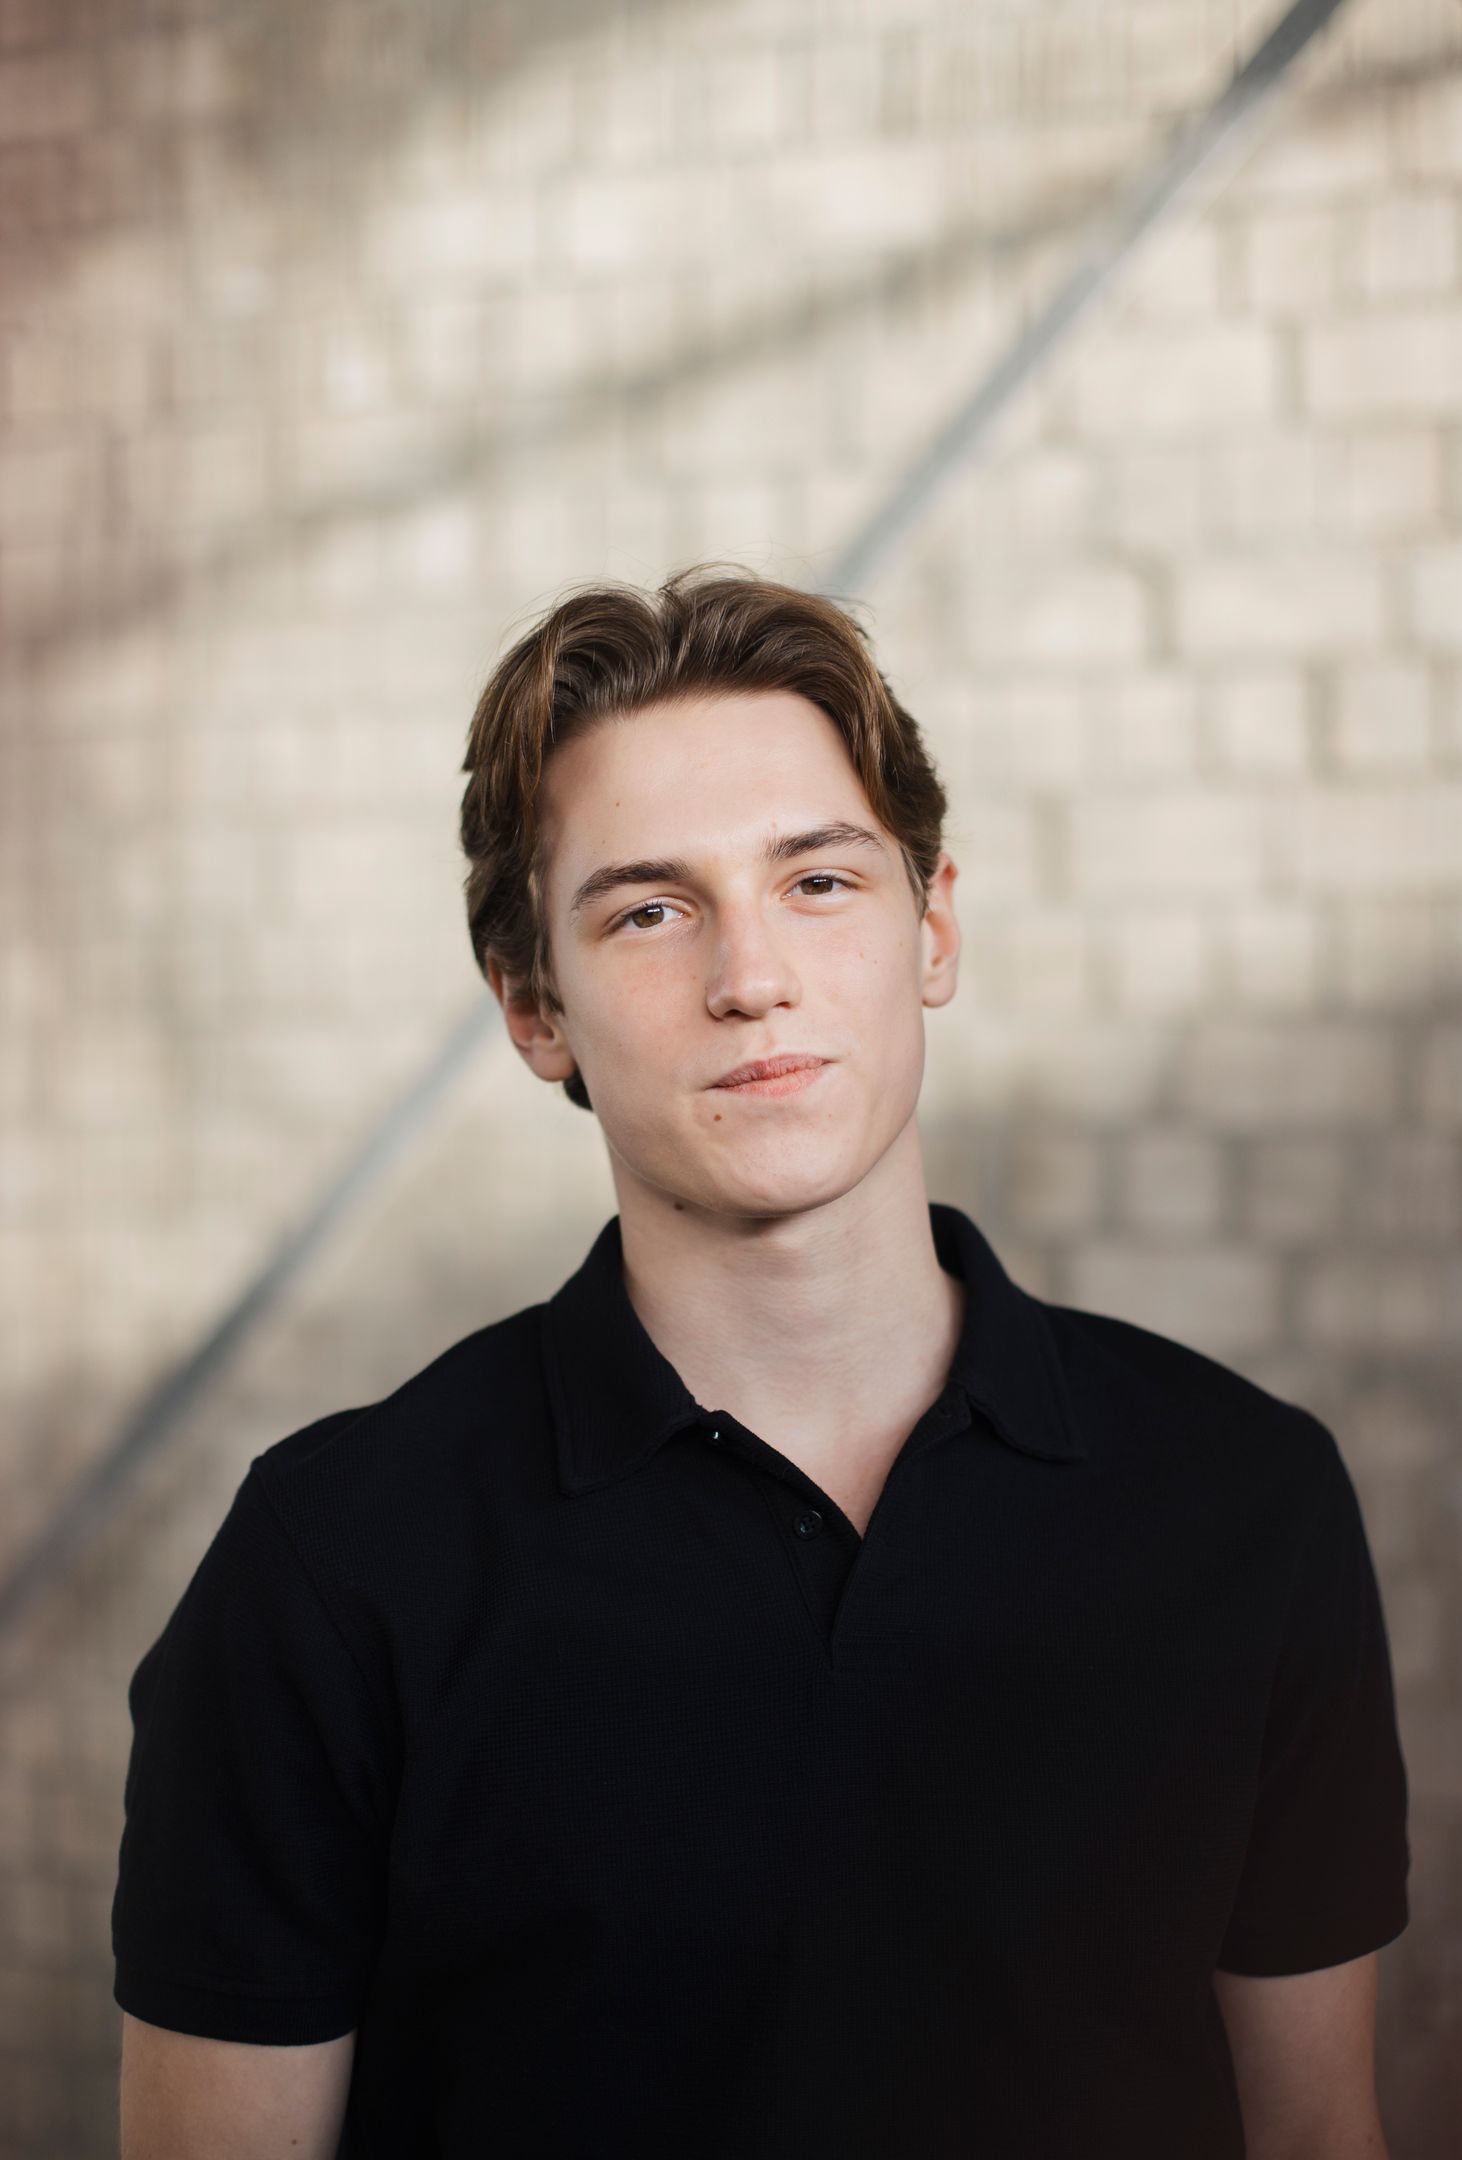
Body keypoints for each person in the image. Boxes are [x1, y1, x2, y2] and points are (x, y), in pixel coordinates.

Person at [113, 563, 1410, 2159]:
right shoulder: (328, 1569)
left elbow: (1316, 2134)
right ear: (534, 1008)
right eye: (649, 911)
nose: (749, 978)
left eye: (818, 880)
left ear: (932, 927)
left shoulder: (1243, 1498)